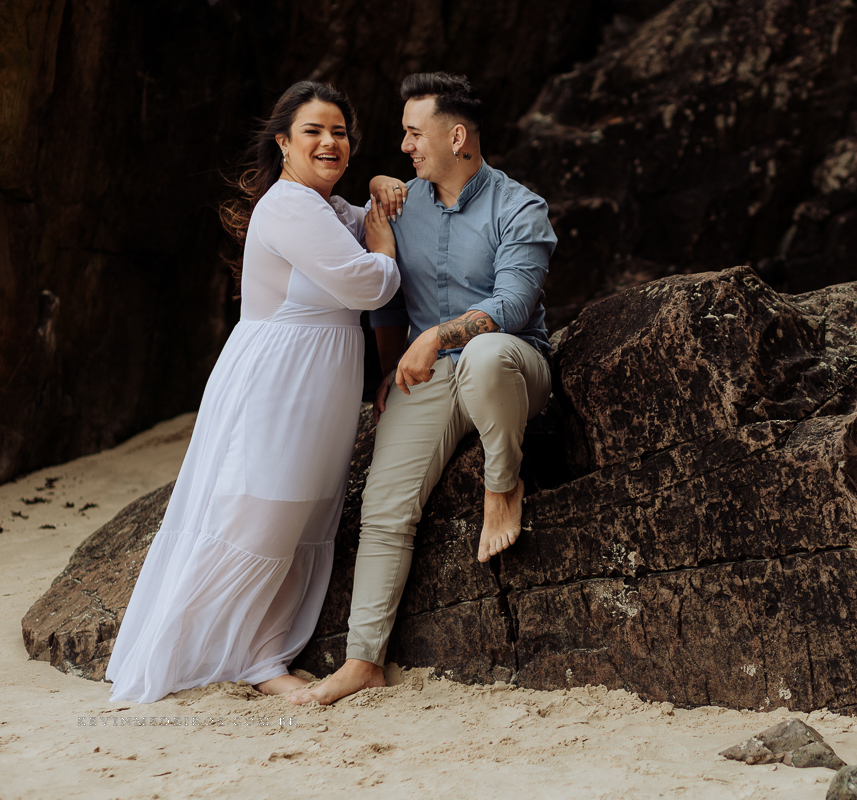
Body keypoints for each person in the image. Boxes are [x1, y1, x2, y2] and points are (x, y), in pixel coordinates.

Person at [105, 81, 404, 703]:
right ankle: (200, 653)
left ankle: (264, 655)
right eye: (313, 131)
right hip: (278, 381)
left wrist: (380, 183)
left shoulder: (324, 207)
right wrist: (383, 253)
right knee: (262, 513)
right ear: (283, 143)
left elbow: (368, 214)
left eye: (340, 132)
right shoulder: (289, 205)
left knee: (301, 518)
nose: (329, 142)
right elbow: (366, 284)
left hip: (321, 383)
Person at [288, 72, 555, 705]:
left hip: (512, 364)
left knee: (485, 353)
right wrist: (391, 368)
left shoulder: (520, 207)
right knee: (384, 505)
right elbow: (385, 301)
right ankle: (364, 661)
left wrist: (435, 336)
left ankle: (502, 485)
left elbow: (514, 305)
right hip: (430, 376)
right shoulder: (400, 205)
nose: (404, 146)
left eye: (414, 134)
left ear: (456, 137)